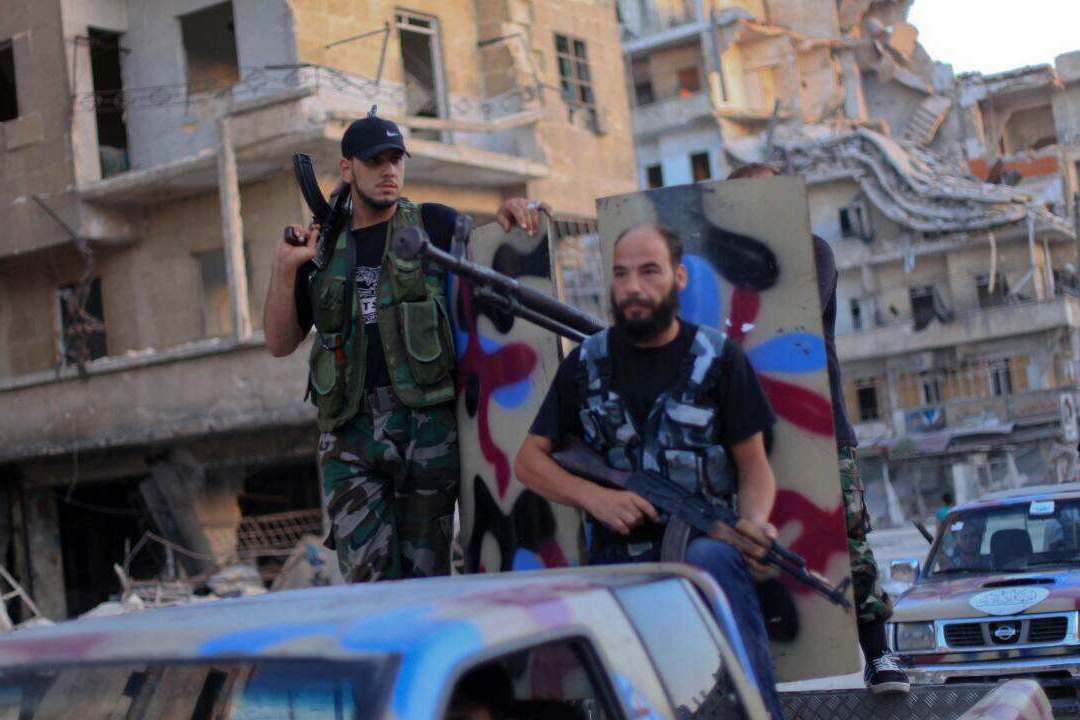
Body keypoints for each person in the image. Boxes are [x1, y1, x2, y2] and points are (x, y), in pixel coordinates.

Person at [513, 222, 786, 719]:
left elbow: (754, 467)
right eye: (621, 274)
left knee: (717, 561)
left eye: (648, 271)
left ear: (679, 277)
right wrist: (596, 498)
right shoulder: (585, 366)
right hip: (620, 560)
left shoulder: (720, 361)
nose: (633, 287)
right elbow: (529, 462)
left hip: (703, 551)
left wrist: (756, 521)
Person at [263, 109, 545, 583]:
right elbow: (278, 341)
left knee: (427, 575)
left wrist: (512, 214)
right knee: (369, 582)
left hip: (425, 429)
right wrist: (286, 267)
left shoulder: (433, 225)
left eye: (396, 159)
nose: (389, 171)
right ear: (348, 168)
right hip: (349, 435)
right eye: (376, 161)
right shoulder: (324, 245)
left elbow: (488, 252)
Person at [727, 163, 907, 694]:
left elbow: (786, 310)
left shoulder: (811, 251)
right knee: (743, 537)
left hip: (816, 422)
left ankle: (878, 655)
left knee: (848, 538)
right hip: (744, 424)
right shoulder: (719, 266)